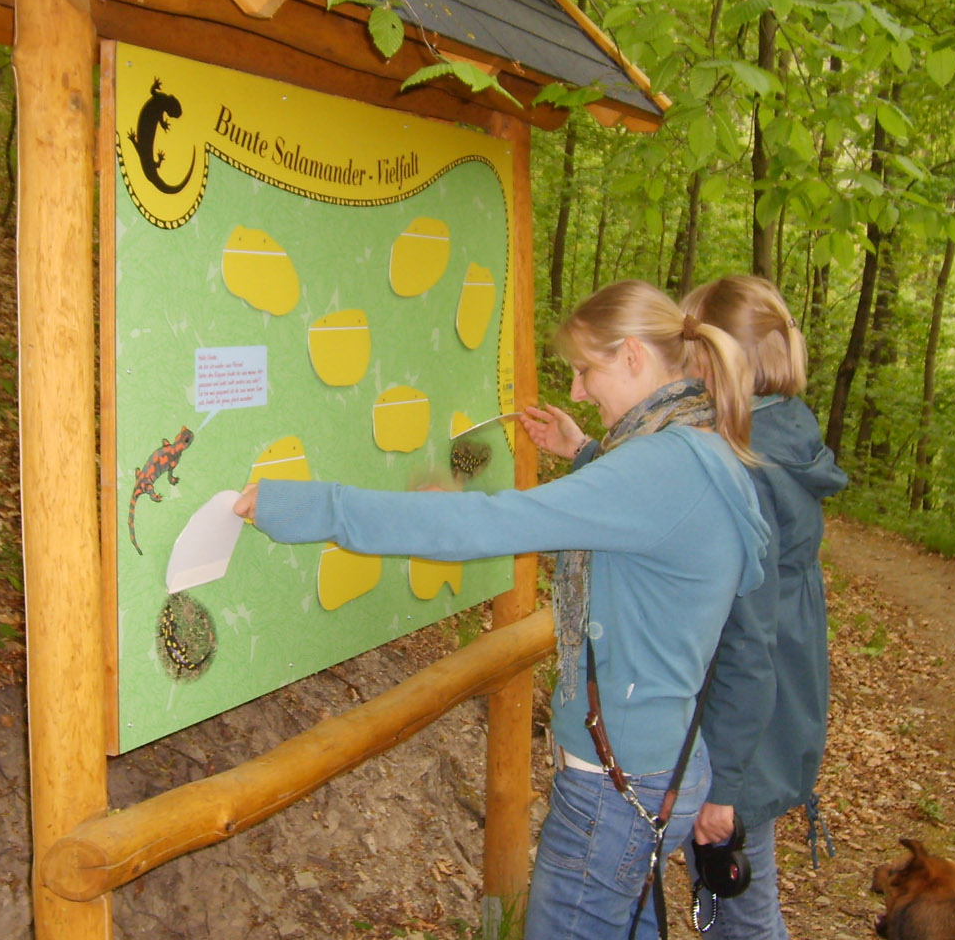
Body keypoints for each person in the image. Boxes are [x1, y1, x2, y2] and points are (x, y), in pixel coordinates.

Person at [234, 279, 770, 940]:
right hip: (663, 760)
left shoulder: (658, 468)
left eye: (584, 370)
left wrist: (306, 507)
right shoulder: (698, 443)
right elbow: (647, 536)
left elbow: (493, 523)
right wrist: (584, 453)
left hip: (615, 785)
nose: (577, 390)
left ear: (633, 355)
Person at [677, 274, 848, 940]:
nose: (684, 365)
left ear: (723, 360)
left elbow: (747, 645)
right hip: (771, 713)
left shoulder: (744, 463)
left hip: (741, 727)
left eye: (694, 349)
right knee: (740, 903)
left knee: (742, 912)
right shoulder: (784, 429)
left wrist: (725, 788)